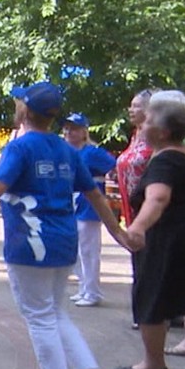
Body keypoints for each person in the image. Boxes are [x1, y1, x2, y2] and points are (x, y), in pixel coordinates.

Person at [0, 82, 125, 369]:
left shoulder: (20, 148)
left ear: (24, 111)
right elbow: (94, 195)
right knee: (55, 312)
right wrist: (119, 232)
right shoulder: (67, 151)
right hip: (63, 241)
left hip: (30, 242)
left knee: (39, 315)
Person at [118, 91, 185, 369]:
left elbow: (157, 198)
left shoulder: (165, 162)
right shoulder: (181, 157)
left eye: (147, 122)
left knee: (151, 297)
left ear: (163, 131)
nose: (142, 126)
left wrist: (138, 227)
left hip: (164, 242)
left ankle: (152, 364)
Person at [61, 113, 117, 307]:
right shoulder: (67, 152)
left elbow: (113, 165)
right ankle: (84, 287)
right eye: (67, 128)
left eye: (74, 128)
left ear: (84, 131)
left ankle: (93, 292)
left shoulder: (92, 152)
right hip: (73, 202)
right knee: (76, 248)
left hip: (89, 204)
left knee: (89, 249)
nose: (69, 132)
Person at [116, 89, 157, 328]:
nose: (131, 110)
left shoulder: (157, 139)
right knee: (141, 262)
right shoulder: (137, 135)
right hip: (132, 212)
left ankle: (150, 315)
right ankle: (150, 312)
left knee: (150, 262)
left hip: (151, 211)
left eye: (136, 106)